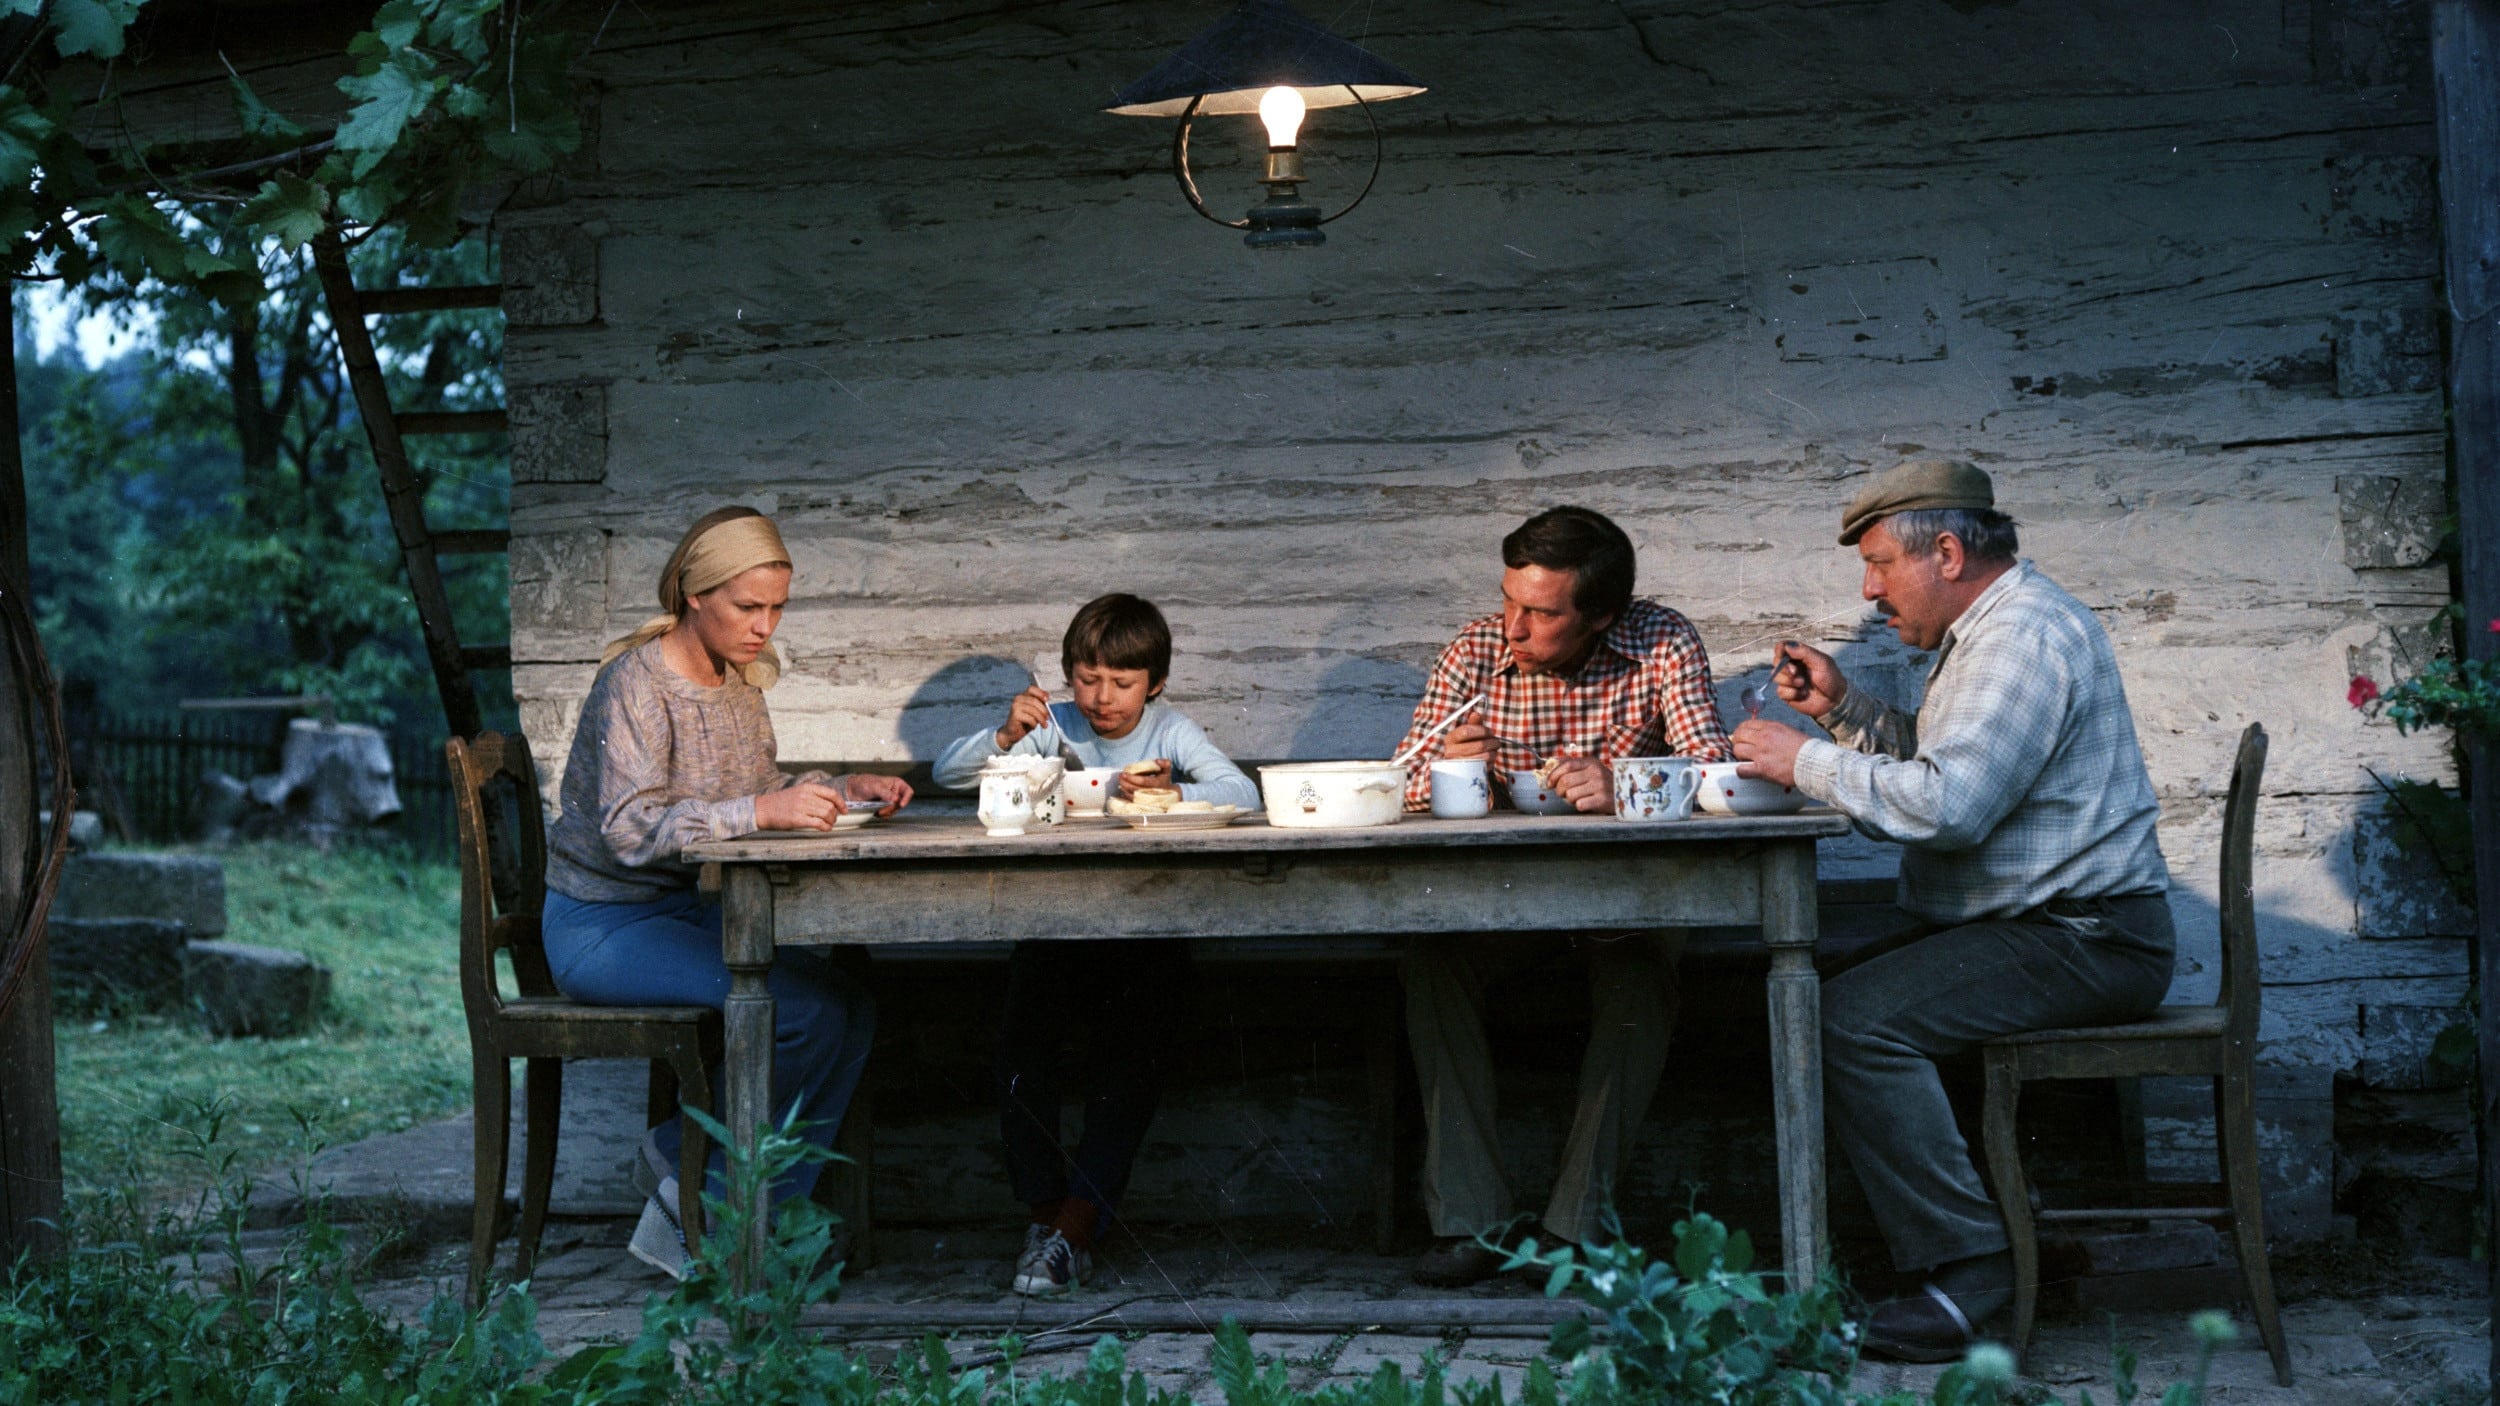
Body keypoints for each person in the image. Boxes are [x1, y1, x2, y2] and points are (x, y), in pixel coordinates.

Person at [1729, 460, 2173, 1361]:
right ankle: (1950, 1244)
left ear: (1946, 552)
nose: (1869, 589)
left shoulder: (2024, 639)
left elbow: (1947, 806)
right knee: (1822, 983)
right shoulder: (1992, 634)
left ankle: (1973, 1272)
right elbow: (1949, 761)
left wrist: (1799, 761)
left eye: (1880, 564)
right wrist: (1845, 709)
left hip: (2088, 936)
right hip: (2045, 926)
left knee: (1853, 1019)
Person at [541, 506, 914, 1281]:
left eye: (777, 608)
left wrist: (841, 790)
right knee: (807, 1010)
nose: (764, 626)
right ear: (692, 593)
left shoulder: (737, 681)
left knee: (851, 1007)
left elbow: (756, 790)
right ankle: (716, 1224)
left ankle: (704, 1180)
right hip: (602, 924)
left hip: (680, 911)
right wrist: (761, 811)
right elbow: (629, 827)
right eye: (749, 607)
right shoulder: (635, 684)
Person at [1388, 506, 1733, 1286]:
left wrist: (1626, 785)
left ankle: (1576, 1227)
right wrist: (1446, 767)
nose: (1514, 626)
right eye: (1510, 600)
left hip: (1626, 902)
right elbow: (1396, 778)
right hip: (1503, 901)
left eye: (1542, 613)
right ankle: (1474, 1223)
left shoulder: (1658, 642)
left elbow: (1713, 776)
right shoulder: (1477, 649)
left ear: (1603, 616)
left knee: (1643, 977)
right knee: (1430, 961)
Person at [933, 594, 1259, 1295]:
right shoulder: (1055, 727)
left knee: (1131, 1057)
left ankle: (1076, 1228)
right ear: (1067, 677)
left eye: (1122, 682)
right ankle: (1047, 1219)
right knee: (1020, 1044)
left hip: (1149, 929)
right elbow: (946, 777)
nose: (1102, 697)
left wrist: (1175, 789)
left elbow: (1243, 791)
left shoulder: (1169, 732)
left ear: (1156, 685)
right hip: (1055, 920)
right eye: (1087, 678)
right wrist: (1003, 736)